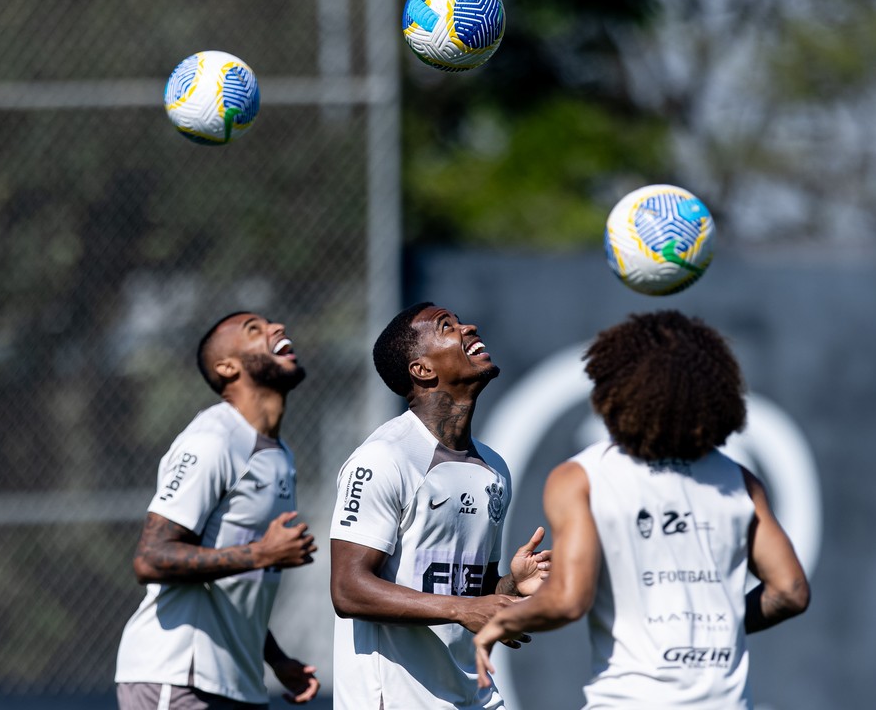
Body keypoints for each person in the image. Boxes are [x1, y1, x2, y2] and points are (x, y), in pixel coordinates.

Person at [474, 310, 811, 710]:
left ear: (612, 387)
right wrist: (717, 631)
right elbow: (790, 591)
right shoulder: (738, 480)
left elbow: (568, 601)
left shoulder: (581, 477)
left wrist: (501, 622)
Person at [330, 302, 551, 710]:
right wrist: (462, 608)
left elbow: (471, 593)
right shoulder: (383, 458)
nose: (469, 326)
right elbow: (348, 589)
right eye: (447, 326)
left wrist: (512, 586)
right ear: (422, 370)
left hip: (473, 697)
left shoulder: (493, 468)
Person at [115, 311, 320, 710]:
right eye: (255, 330)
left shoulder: (280, 455)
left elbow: (230, 584)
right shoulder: (211, 441)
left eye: (273, 324)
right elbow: (150, 558)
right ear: (227, 367)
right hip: (176, 677)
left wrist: (276, 660)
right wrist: (263, 553)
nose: (277, 328)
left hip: (239, 684)